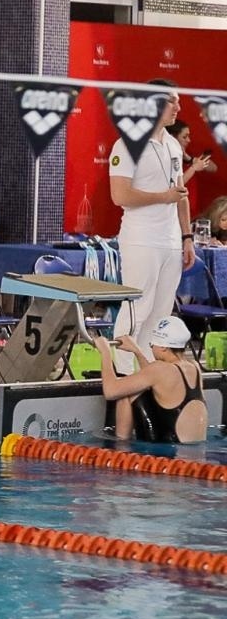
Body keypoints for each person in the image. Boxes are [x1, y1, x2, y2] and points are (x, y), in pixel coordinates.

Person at [109, 81, 195, 374]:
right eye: (173, 101)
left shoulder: (171, 144)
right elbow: (119, 195)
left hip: (170, 241)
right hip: (141, 240)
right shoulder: (127, 143)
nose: (179, 108)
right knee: (137, 310)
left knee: (160, 314)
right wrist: (163, 197)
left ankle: (146, 372)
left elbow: (180, 194)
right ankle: (121, 372)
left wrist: (187, 237)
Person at [92, 318, 206, 444]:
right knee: (136, 386)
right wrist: (137, 352)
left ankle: (121, 448)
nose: (151, 348)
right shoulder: (194, 366)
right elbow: (155, 381)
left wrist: (106, 352)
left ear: (163, 347)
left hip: (167, 454)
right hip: (191, 459)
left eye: (151, 344)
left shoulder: (160, 369)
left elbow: (110, 391)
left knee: (126, 392)